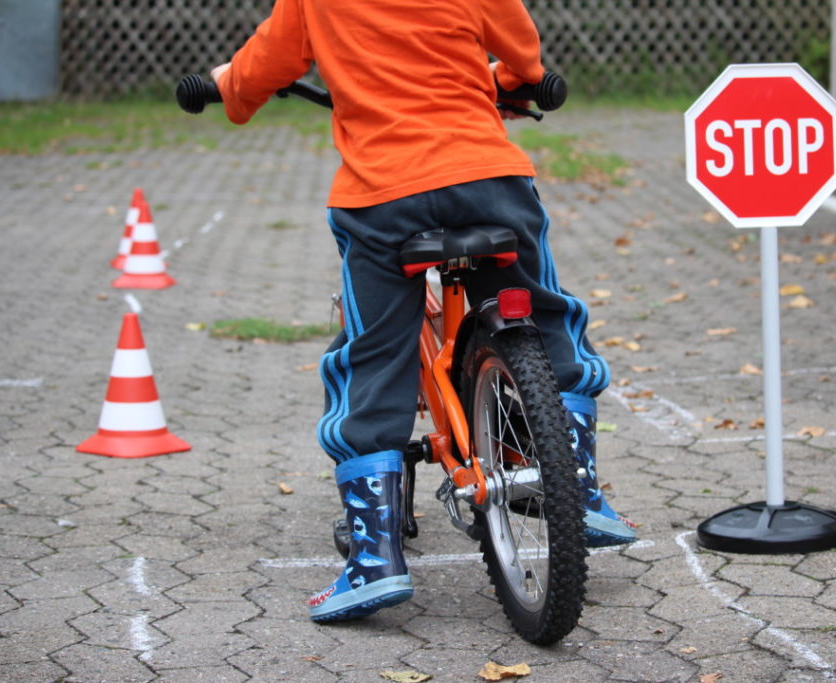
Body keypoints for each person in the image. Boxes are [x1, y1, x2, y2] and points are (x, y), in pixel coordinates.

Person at [211, 0, 636, 623]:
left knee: (375, 354)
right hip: (488, 181)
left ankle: (374, 560)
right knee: (545, 317)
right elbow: (520, 48)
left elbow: (256, 73)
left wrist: (228, 86)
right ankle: (578, 485)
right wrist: (515, 80)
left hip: (384, 197)